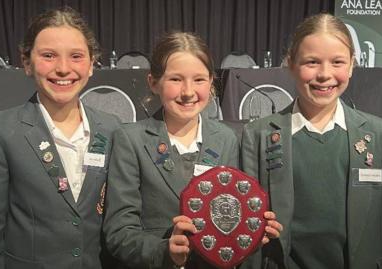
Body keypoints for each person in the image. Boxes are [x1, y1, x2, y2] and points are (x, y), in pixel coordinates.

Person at [241, 13, 382, 269]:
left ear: (352, 65)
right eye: (312, 62)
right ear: (291, 64)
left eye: (337, 62)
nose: (324, 74)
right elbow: (249, 228)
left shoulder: (381, 135)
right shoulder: (258, 135)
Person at [103, 32, 282, 268]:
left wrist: (253, 232)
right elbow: (119, 232)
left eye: (199, 80)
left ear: (211, 81)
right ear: (153, 83)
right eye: (175, 79)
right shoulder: (130, 140)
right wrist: (165, 251)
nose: (188, 92)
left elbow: (229, 216)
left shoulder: (226, 139)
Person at [0, 7, 120, 269]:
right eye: (48, 56)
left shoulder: (112, 128)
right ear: (27, 62)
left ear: (92, 63)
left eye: (76, 56)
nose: (63, 69)